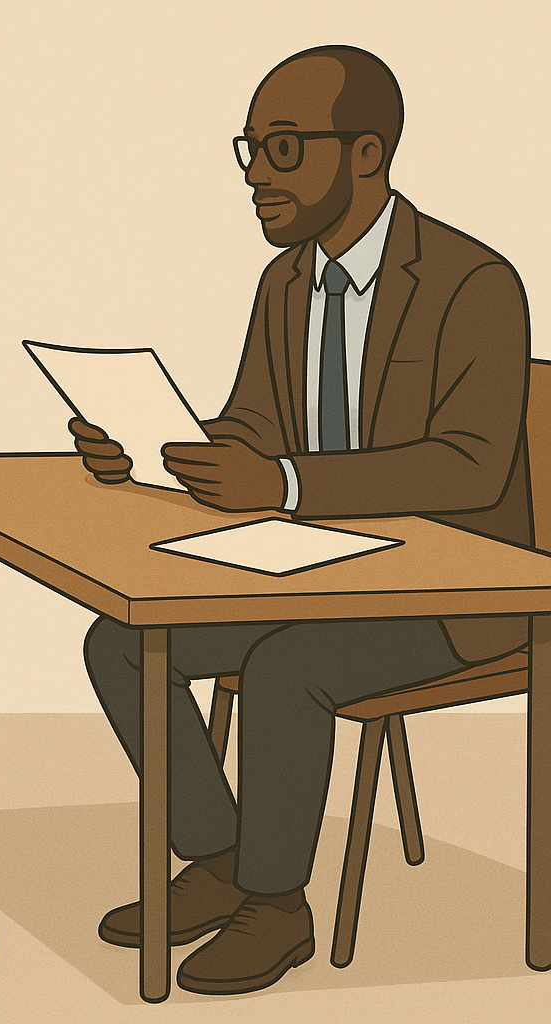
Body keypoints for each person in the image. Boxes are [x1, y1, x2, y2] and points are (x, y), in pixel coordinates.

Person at [71, 45, 530, 995]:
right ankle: (224, 858)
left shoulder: (474, 283)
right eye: (251, 151)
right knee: (119, 641)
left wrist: (282, 488)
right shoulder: (286, 284)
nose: (257, 179)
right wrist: (156, 445)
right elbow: (253, 427)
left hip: (457, 590)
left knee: (289, 666)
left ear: (368, 156)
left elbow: (472, 465)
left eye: (285, 150)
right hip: (318, 565)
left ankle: (278, 907)